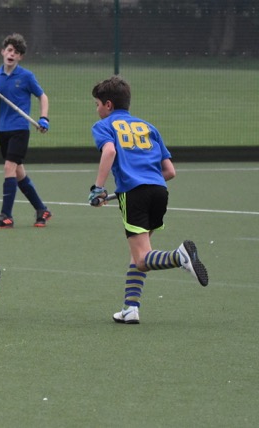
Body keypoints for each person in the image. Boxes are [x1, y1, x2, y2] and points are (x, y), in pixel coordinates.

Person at [89, 76, 208, 324]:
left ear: (108, 105)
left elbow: (109, 151)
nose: (97, 109)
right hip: (159, 192)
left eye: (97, 104)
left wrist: (98, 189)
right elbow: (170, 171)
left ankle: (179, 256)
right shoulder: (148, 127)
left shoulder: (103, 125)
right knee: (138, 254)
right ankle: (130, 308)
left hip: (135, 195)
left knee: (143, 259)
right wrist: (144, 180)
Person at [0, 33, 52, 229]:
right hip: (3, 129)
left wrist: (44, 118)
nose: (12, 54)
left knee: (9, 168)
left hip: (20, 129)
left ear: (20, 57)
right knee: (18, 172)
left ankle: (6, 216)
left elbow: (43, 96)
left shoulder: (26, 76)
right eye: (9, 50)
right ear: (2, 52)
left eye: (16, 52)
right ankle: (42, 210)